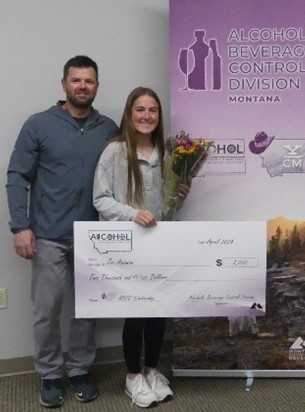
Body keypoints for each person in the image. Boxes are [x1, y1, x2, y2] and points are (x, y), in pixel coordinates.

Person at [6, 55, 119, 408]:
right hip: (48, 235)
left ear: (97, 86)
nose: (82, 86)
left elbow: (126, 174)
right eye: (76, 80)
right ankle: (51, 375)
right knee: (46, 310)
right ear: (64, 84)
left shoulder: (108, 128)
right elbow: (16, 176)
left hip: (93, 237)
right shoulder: (39, 125)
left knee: (87, 311)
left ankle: (80, 369)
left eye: (89, 81)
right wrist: (20, 227)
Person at [93, 87, 190, 408]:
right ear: (129, 114)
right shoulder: (114, 153)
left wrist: (179, 194)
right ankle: (133, 376)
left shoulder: (168, 155)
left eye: (152, 110)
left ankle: (152, 369)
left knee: (158, 309)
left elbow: (166, 208)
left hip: (161, 244)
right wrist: (134, 214)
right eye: (140, 110)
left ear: (159, 116)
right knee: (135, 312)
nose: (147, 116)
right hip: (129, 246)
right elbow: (101, 199)